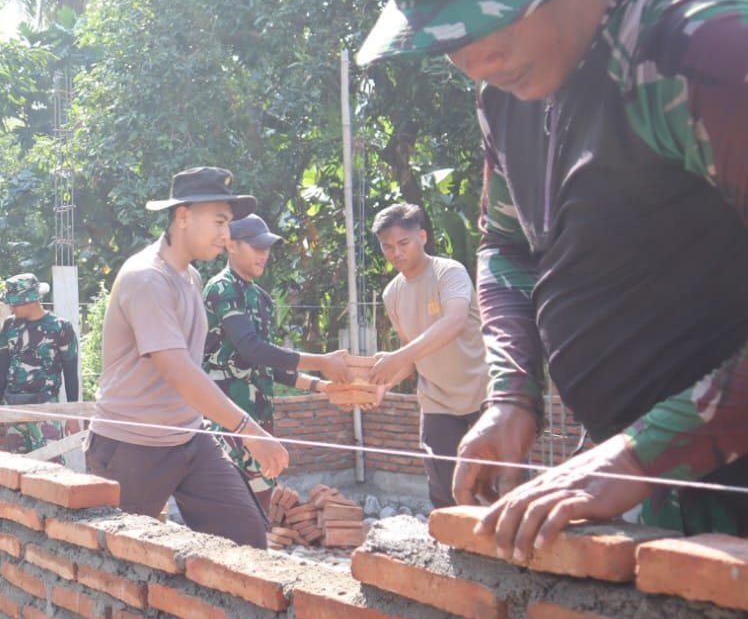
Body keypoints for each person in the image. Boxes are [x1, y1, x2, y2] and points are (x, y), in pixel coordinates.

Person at [357, 0, 748, 557]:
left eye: (490, 16)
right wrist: (514, 395)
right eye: (449, 38)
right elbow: (506, 246)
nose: (475, 59)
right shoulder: (506, 90)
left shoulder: (709, 50)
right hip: (655, 493)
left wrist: (641, 454)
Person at [87, 167, 289, 548]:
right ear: (183, 217)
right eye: (219, 222)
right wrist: (248, 429)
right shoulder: (148, 277)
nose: (226, 235)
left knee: (246, 538)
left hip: (190, 438)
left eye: (228, 224)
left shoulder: (190, 277)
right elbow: (178, 371)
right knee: (118, 559)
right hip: (133, 443)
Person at [202, 213, 348, 511]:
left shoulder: (262, 300)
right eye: (256, 246)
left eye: (266, 247)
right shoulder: (222, 289)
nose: (264, 253)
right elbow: (252, 349)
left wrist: (322, 387)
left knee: (261, 509)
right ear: (231, 245)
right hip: (227, 423)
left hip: (260, 423)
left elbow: (267, 365)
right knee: (230, 511)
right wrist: (322, 361)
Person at [364, 203, 488, 508]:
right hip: (437, 402)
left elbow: (454, 322)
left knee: (499, 486)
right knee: (444, 493)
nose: (396, 253)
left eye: (403, 243)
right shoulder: (392, 293)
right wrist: (381, 385)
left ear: (422, 237)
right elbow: (411, 358)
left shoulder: (449, 272)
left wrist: (398, 356)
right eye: (387, 247)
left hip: (485, 394)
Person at [0, 273, 80, 454]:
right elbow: (2, 369)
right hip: (14, 408)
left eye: (14, 304)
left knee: (50, 462)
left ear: (29, 301)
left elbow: (70, 374)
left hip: (46, 407)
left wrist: (72, 416)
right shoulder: (9, 326)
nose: (11, 308)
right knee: (17, 466)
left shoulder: (61, 327)